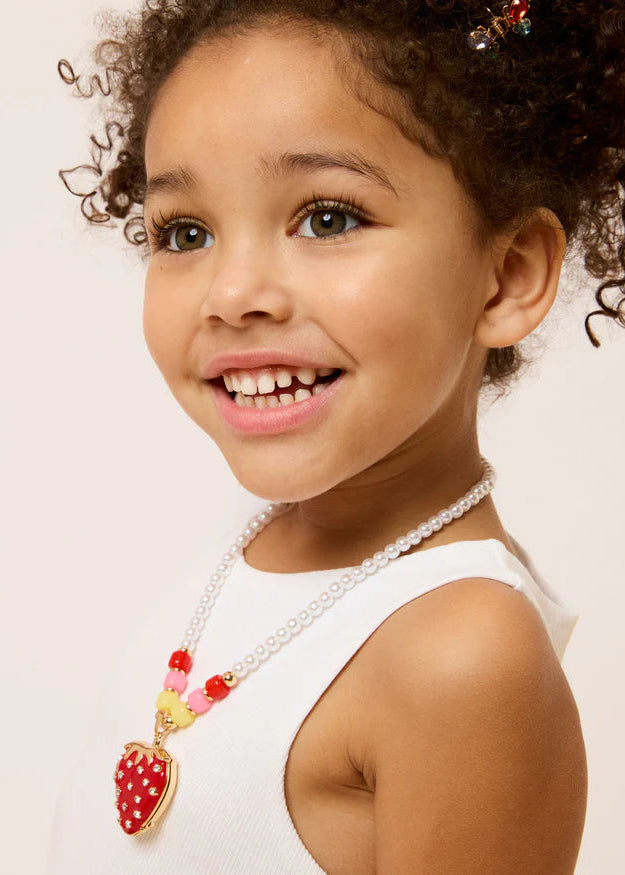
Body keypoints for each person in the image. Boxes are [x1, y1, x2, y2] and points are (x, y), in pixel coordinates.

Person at [50, 1, 624, 871]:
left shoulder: (460, 655)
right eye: (185, 232)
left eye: (327, 218)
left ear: (505, 275)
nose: (232, 291)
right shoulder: (262, 538)